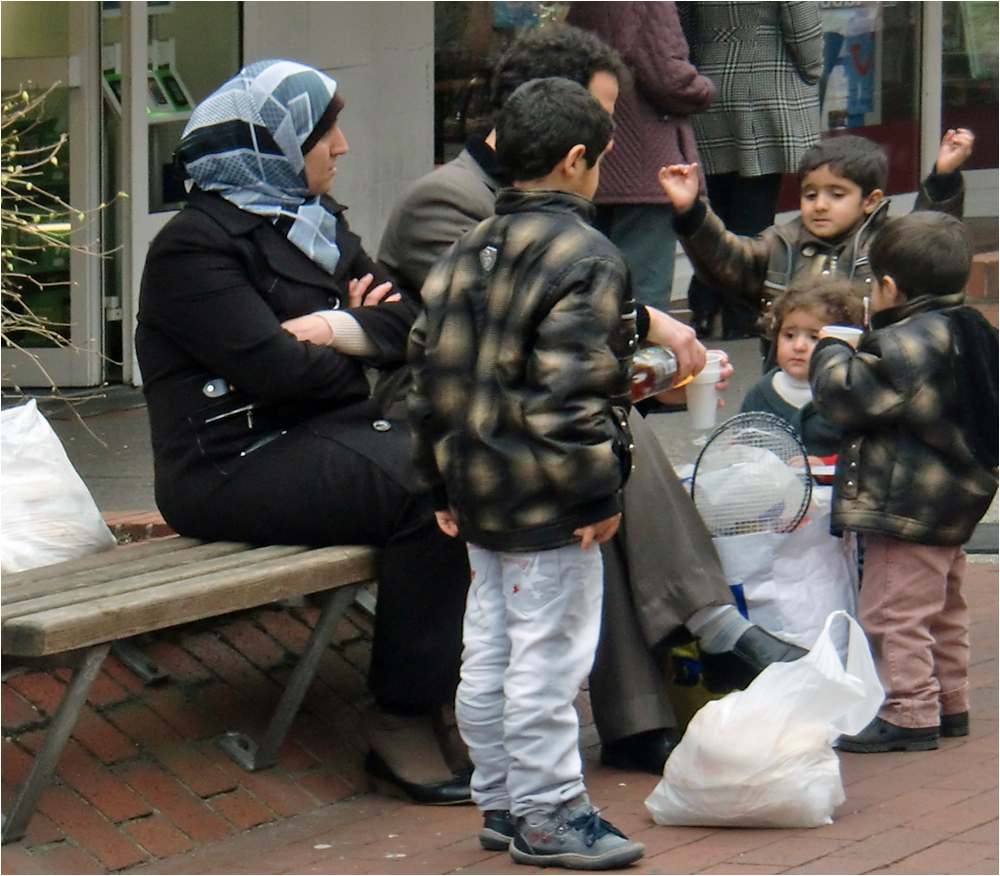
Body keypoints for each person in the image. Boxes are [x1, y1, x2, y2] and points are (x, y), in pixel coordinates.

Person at [379, 24, 806, 776]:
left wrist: (628, 361)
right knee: (592, 475)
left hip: (502, 408)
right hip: (466, 415)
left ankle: (636, 720)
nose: (611, 150)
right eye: (601, 128)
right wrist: (632, 347)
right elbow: (501, 333)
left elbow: (556, 341)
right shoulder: (447, 203)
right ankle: (698, 637)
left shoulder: (535, 210)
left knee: (601, 443)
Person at [135, 60, 474, 806]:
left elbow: (415, 321)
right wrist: (357, 347)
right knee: (427, 487)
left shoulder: (313, 225)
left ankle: (449, 697)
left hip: (323, 434)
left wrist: (329, 328)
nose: (343, 147)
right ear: (271, 144)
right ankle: (404, 717)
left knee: (472, 455)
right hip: (231, 464)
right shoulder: (193, 248)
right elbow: (280, 375)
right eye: (324, 133)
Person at [409, 76, 644, 871]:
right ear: (578, 160)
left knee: (493, 650)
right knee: (550, 655)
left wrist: (436, 482)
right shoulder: (587, 255)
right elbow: (573, 387)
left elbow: (428, 379)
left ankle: (504, 801)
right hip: (550, 496)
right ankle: (549, 811)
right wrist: (599, 485)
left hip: (474, 489)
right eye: (601, 162)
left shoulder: (459, 252)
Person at [809, 212, 998, 752]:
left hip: (907, 501)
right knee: (943, 608)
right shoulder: (974, 328)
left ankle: (907, 710)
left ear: (889, 286)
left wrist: (830, 347)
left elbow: (843, 395)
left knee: (893, 611)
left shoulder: (908, 344)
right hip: (956, 500)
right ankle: (950, 701)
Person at [659, 129, 975, 362]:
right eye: (810, 195)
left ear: (870, 200)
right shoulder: (781, 243)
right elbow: (727, 260)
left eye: (836, 195)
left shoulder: (885, 243)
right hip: (788, 379)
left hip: (866, 377)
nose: (820, 205)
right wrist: (692, 211)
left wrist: (943, 178)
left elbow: (929, 241)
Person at [680, 1, 824, 340]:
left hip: (709, 82)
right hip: (765, 83)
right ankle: (740, 313)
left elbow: (683, 22)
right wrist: (812, 69)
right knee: (753, 210)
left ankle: (702, 306)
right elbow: (803, 29)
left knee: (713, 204)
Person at [565, 1, 715, 317]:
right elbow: (668, 76)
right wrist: (704, 89)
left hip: (599, 156)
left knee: (592, 289)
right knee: (642, 297)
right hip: (646, 161)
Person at [741, 276, 864, 463]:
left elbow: (865, 454)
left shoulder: (848, 395)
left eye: (814, 338)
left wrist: (825, 464)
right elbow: (741, 444)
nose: (799, 346)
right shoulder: (760, 394)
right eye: (789, 335)